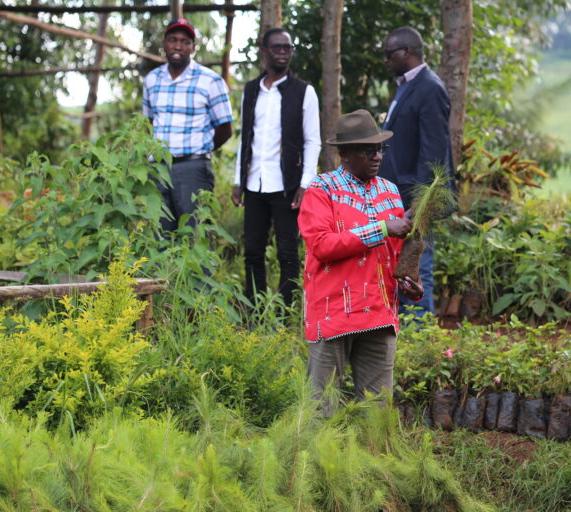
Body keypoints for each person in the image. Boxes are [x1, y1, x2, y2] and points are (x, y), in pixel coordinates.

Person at [298, 109, 423, 408]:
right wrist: (381, 228)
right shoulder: (321, 189)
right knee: (322, 408)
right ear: (344, 153)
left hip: (379, 314)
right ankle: (314, 458)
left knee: (377, 411)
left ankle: (374, 455)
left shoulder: (390, 192)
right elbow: (322, 245)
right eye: (369, 150)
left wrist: (410, 283)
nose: (377, 156)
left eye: (380, 148)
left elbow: (392, 256)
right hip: (334, 313)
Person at [232, 28, 321, 309]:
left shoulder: (304, 92)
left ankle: (286, 313)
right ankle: (255, 312)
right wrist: (238, 180)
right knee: (253, 252)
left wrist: (306, 184)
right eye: (277, 47)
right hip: (255, 183)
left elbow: (313, 141)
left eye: (287, 48)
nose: (283, 52)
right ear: (265, 51)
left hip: (288, 186)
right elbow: (245, 137)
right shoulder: (250, 90)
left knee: (288, 254)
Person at [379, 26, 457, 317]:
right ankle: (407, 332)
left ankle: (420, 335)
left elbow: (434, 152)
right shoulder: (407, 85)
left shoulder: (429, 87)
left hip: (417, 199)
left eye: (389, 54)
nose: (386, 60)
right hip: (401, 195)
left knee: (417, 265)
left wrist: (420, 204)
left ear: (407, 52)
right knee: (403, 264)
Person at [142, 18, 234, 233]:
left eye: (185, 41)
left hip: (192, 169)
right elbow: (148, 123)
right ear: (164, 44)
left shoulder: (210, 81)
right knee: (160, 235)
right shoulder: (152, 80)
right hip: (158, 169)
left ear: (193, 48)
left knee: (195, 235)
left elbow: (225, 128)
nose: (178, 46)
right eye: (173, 40)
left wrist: (201, 150)